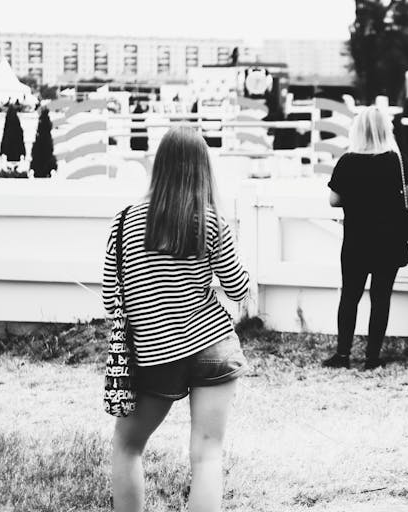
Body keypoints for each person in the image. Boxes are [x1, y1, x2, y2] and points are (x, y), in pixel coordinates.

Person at [102, 128, 250, 512]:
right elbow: (237, 288)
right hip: (213, 347)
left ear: (160, 166)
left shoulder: (124, 223)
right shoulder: (212, 223)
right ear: (202, 169)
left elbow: (109, 298)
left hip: (155, 355)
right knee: (207, 454)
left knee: (128, 446)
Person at [322, 106, 408, 370]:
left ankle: (342, 355)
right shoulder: (396, 160)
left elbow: (333, 199)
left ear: (357, 130)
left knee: (349, 297)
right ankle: (372, 357)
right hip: (389, 241)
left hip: (356, 239)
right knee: (381, 297)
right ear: (387, 130)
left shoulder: (348, 161)